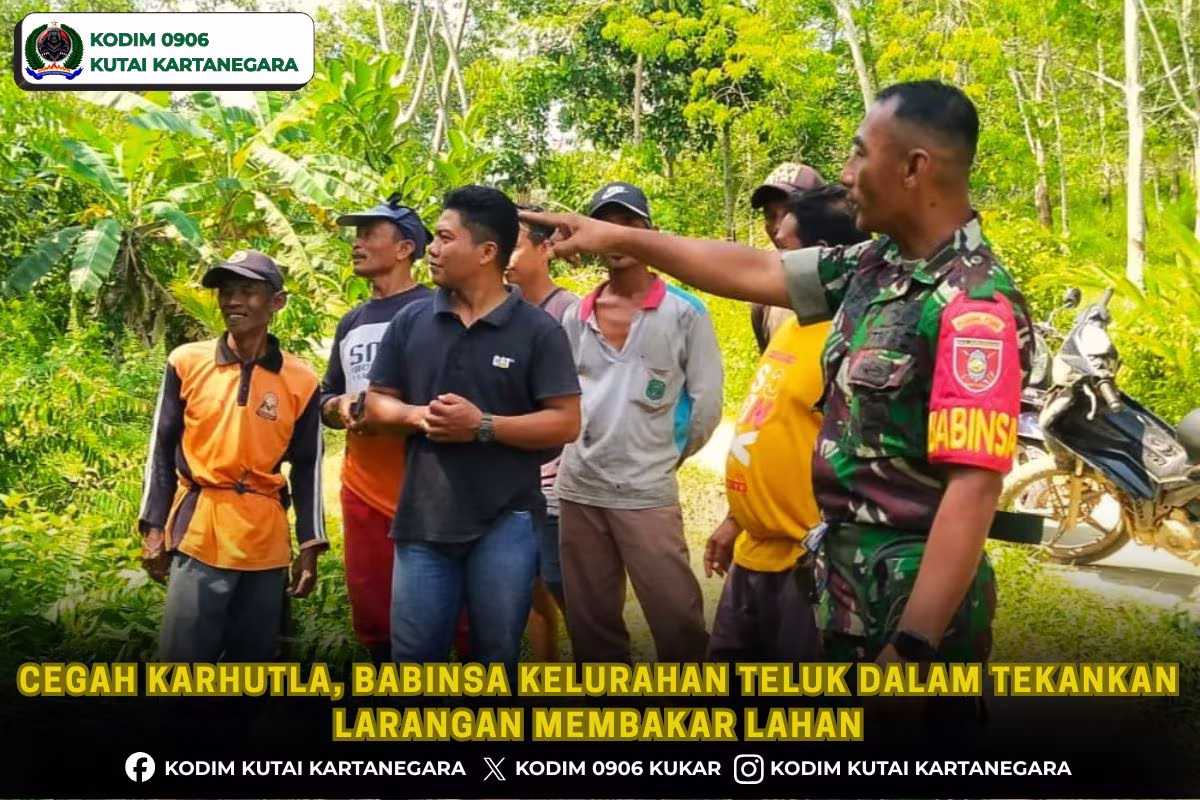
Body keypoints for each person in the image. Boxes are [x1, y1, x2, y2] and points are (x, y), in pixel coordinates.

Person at [522, 81, 1039, 678]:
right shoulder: (877, 265)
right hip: (843, 593)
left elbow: (972, 489)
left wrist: (915, 649)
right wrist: (618, 236)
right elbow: (755, 268)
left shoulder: (973, 304)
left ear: (913, 168)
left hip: (907, 610)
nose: (846, 173)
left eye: (860, 153)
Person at [363, 185, 581, 677]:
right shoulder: (412, 320)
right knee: (413, 665)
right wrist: (421, 417)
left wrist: (481, 426)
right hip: (423, 522)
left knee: (494, 659)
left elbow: (566, 421)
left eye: (443, 238)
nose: (431, 249)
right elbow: (376, 403)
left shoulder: (537, 330)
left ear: (486, 253)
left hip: (506, 523)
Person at [555, 181, 723, 664]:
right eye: (607, 225)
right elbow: (565, 397)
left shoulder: (685, 312)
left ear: (649, 233)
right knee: (591, 624)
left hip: (646, 491)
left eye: (630, 224)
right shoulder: (575, 316)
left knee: (677, 619)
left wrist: (663, 456)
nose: (618, 236)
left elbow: (706, 403)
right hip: (580, 487)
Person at [704, 183, 870, 663]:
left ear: (824, 260)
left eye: (786, 252)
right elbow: (773, 429)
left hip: (805, 569)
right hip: (754, 555)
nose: (775, 262)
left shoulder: (851, 339)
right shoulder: (793, 323)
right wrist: (738, 518)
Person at [138, 249, 328, 662]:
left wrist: (310, 544)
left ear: (277, 302)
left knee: (252, 665)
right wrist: (153, 528)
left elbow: (309, 465)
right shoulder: (187, 362)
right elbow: (161, 447)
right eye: (226, 292)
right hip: (201, 527)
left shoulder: (301, 379)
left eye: (248, 291)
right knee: (182, 663)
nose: (233, 301)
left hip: (265, 538)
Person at [320, 194, 434, 665]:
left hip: (424, 484)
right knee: (373, 603)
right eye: (356, 234)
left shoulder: (435, 310)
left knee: (446, 609)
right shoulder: (352, 321)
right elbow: (325, 396)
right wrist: (340, 405)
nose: (357, 243)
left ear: (405, 248)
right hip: (363, 484)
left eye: (370, 234)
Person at [505, 203, 579, 662]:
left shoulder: (569, 314)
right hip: (513, 477)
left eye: (513, 245)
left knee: (563, 583)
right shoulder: (502, 314)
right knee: (526, 591)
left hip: (559, 479)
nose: (504, 258)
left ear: (545, 247)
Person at [747, 162, 825, 353]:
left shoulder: (856, 280)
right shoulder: (764, 301)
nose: (778, 228)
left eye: (791, 213)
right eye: (770, 215)